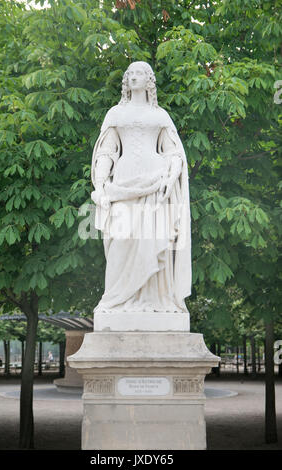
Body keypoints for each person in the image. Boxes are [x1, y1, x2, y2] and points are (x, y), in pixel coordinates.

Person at [91, 61, 191, 314]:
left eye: (140, 73)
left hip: (155, 183)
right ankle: (117, 299)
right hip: (123, 183)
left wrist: (171, 177)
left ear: (149, 80)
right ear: (126, 80)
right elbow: (106, 151)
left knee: (153, 240)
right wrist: (101, 185)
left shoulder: (160, 115)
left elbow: (173, 153)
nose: (134, 77)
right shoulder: (115, 114)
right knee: (120, 242)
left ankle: (156, 300)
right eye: (131, 73)